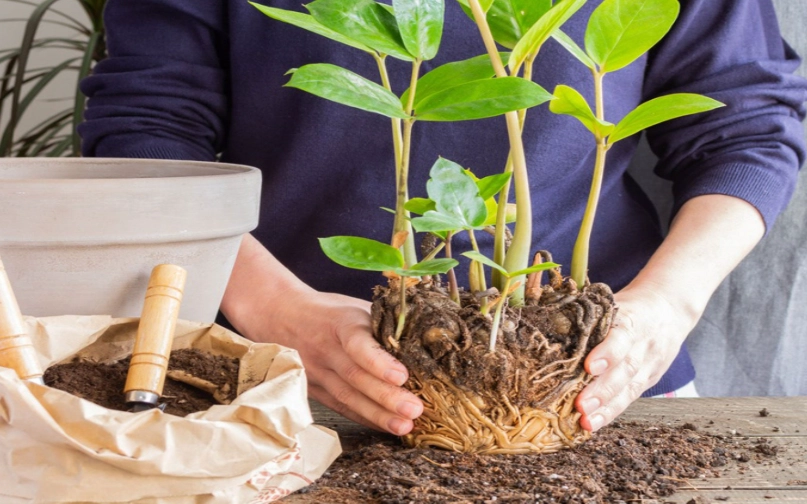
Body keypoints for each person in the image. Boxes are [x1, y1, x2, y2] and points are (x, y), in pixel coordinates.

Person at [79, 0, 807, 436]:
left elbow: (745, 130)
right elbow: (145, 135)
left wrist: (663, 310)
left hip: (594, 379)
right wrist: (274, 308)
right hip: (273, 375)